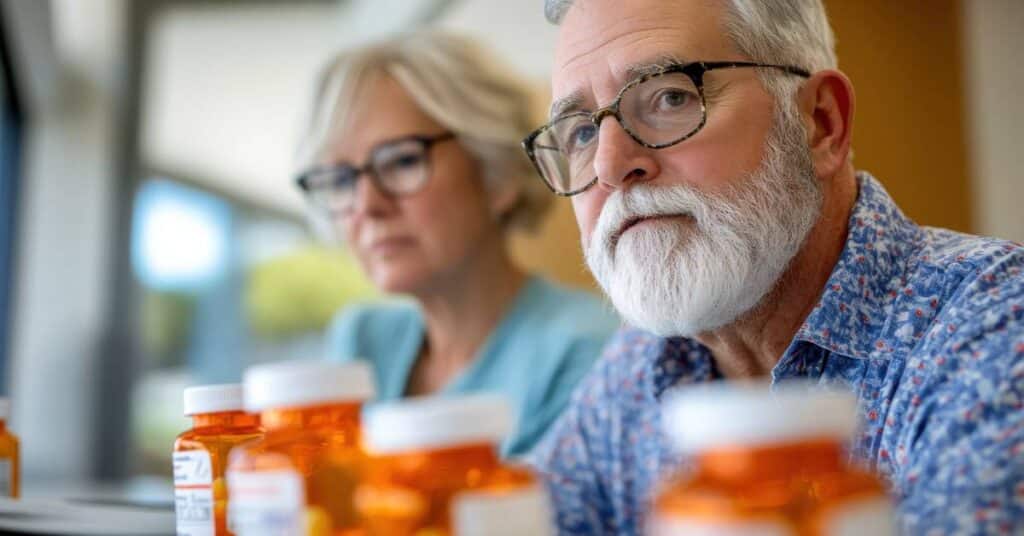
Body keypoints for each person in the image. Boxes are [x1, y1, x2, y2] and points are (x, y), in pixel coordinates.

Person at [522, 0, 1024, 533]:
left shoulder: (997, 323)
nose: (609, 165)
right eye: (581, 133)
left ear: (821, 123)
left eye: (670, 96)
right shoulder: (640, 364)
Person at [294, 31, 619, 458]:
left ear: (496, 173)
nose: (366, 204)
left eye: (403, 160)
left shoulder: (585, 353)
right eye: (339, 180)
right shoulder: (360, 341)